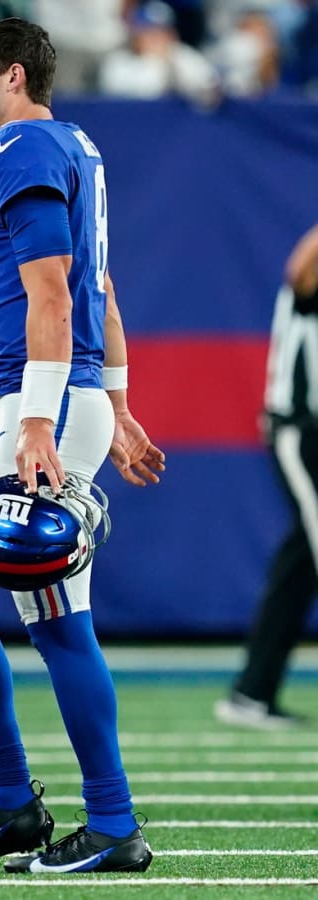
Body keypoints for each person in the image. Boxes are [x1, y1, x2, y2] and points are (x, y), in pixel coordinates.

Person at [0, 19, 165, 874]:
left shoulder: (21, 148)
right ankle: (27, 805)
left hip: (42, 407)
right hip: (68, 400)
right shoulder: (73, 146)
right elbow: (101, 287)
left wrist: (36, 423)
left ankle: (95, 819)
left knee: (27, 610)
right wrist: (118, 409)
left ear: (14, 76)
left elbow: (56, 292)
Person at [215, 224, 318, 730]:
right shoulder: (308, 286)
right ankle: (251, 692)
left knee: (299, 563)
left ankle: (252, 692)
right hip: (302, 432)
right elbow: (300, 270)